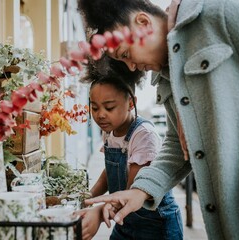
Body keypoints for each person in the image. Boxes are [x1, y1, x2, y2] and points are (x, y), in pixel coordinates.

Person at [78, 0, 239, 239]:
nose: (130, 66)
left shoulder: (220, 13)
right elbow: (177, 147)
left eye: (126, 54)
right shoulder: (165, 77)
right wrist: (140, 190)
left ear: (142, 22)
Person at [77, 57, 183, 240]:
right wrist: (86, 199)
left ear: (131, 103)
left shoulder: (143, 135)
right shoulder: (109, 131)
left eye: (109, 107)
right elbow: (109, 173)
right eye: (94, 108)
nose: (100, 115)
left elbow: (132, 191)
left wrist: (99, 213)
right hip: (124, 221)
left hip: (155, 226)